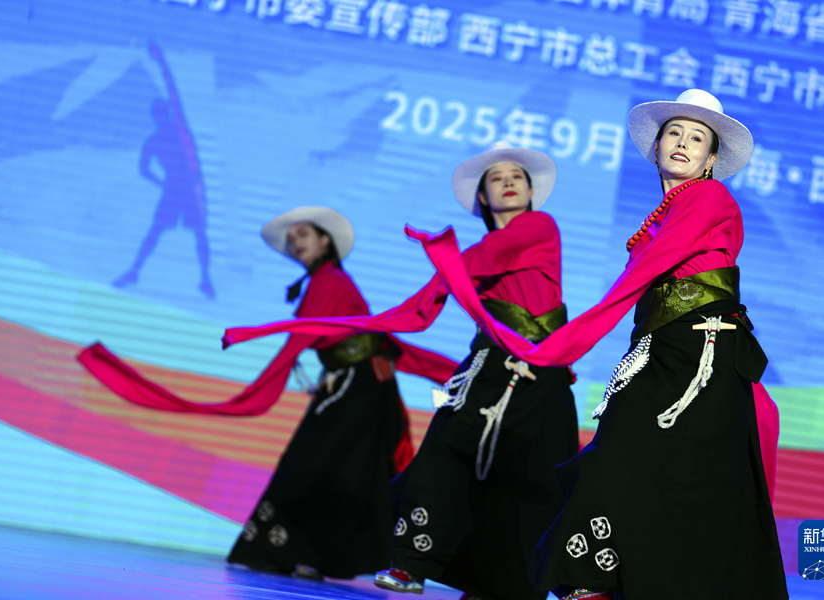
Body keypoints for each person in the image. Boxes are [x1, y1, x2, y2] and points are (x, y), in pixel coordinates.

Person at [372, 90, 786, 600]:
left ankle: (595, 581)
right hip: (657, 351)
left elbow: (649, 272)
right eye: (674, 134)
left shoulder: (708, 198)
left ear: (711, 158)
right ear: (656, 147)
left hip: (699, 353)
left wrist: (563, 343)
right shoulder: (662, 215)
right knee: (625, 461)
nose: (682, 143)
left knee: (660, 470)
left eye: (696, 139)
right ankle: (593, 581)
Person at [222, 143, 581, 600]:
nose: (508, 182)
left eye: (516, 177)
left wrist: (443, 259)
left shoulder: (538, 227)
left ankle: (507, 583)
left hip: (540, 372)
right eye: (496, 178)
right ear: (483, 198)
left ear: (530, 192)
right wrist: (438, 275)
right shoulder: (472, 257)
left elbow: (484, 259)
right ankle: (412, 563)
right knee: (443, 455)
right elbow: (425, 306)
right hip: (491, 364)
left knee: (528, 479)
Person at [79, 206, 457, 580]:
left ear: (325, 241)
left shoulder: (330, 281)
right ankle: (317, 555)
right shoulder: (326, 280)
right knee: (339, 469)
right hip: (356, 384)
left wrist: (259, 389)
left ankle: (298, 551)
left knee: (320, 465)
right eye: (291, 239)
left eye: (303, 234)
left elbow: (307, 340)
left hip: (360, 387)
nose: (296, 243)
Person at [113, 40, 215, 298]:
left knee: (195, 233)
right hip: (181, 186)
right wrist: (162, 183)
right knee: (166, 231)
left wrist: (161, 60)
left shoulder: (171, 132)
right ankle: (136, 271)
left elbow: (172, 88)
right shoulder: (162, 136)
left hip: (186, 187)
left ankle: (205, 279)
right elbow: (143, 169)